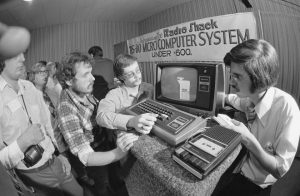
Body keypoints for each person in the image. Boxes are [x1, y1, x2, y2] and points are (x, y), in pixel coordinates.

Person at [212, 39, 300, 196]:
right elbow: (231, 99)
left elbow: (280, 169)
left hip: (255, 185)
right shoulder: (248, 98)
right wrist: (218, 97)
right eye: (231, 75)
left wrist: (249, 140)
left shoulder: (287, 108)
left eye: (237, 76)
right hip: (235, 169)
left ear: (259, 77)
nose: (232, 82)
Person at [0, 53, 83, 196]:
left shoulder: (29, 87)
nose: (23, 58)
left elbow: (46, 124)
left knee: (78, 192)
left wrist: (59, 154)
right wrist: (22, 142)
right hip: (31, 173)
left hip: (53, 160)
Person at [57, 52, 139, 196]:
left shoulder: (83, 90)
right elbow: (87, 158)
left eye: (91, 73)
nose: (93, 78)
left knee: (118, 183)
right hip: (94, 163)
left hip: (106, 146)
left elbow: (99, 110)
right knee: (104, 190)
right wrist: (119, 152)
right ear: (69, 81)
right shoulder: (66, 109)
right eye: (85, 75)